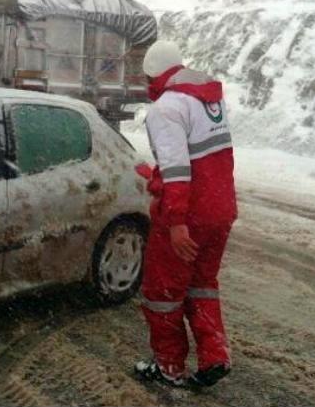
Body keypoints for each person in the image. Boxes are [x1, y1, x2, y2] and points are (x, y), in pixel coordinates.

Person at [134, 40, 238, 389]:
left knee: (162, 293)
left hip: (188, 217)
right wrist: (157, 176)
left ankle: (169, 367)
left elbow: (179, 170)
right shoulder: (209, 100)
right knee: (202, 285)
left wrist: (176, 222)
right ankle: (215, 355)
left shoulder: (166, 108)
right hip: (220, 210)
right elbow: (205, 163)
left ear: (153, 75)